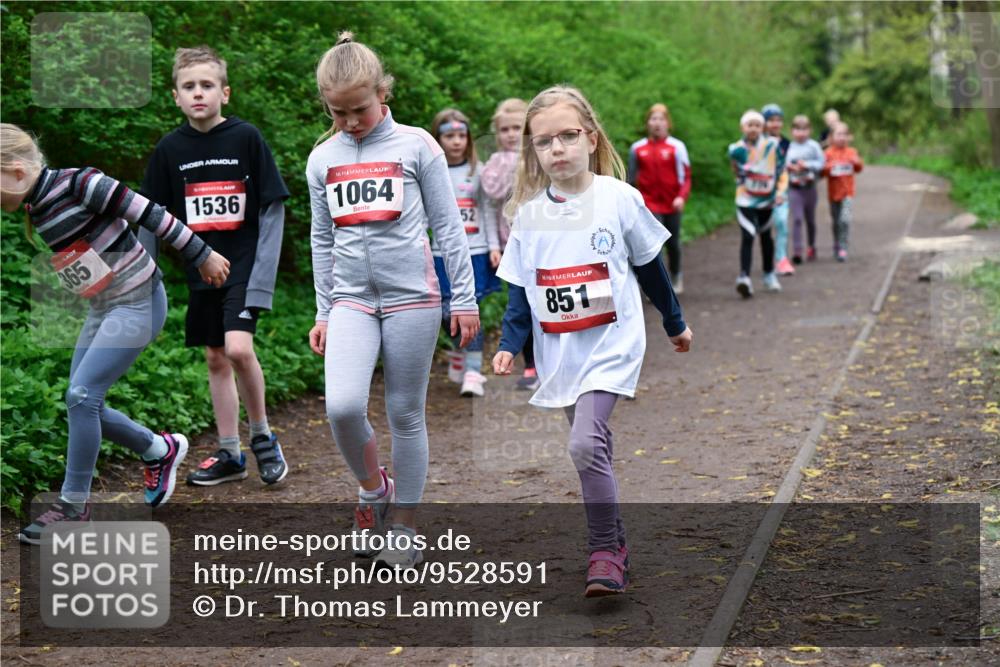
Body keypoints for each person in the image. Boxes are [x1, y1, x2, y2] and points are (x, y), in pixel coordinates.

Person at [492, 86, 692, 596]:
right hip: (561, 352)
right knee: (592, 448)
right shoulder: (529, 216)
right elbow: (522, 294)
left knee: (583, 443)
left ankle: (603, 550)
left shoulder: (618, 199)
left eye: (567, 136)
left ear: (591, 137)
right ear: (532, 152)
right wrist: (509, 344)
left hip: (613, 343)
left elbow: (652, 269)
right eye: (544, 142)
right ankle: (618, 542)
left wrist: (674, 322)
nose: (557, 148)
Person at [1, 123, 230, 544]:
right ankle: (159, 450)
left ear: (16, 171)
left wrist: (202, 254)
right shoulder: (38, 208)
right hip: (104, 308)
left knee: (82, 397)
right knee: (80, 400)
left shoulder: (81, 183)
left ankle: (73, 506)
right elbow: (89, 269)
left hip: (140, 302)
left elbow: (151, 214)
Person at [306, 33, 480, 569]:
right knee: (342, 406)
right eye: (338, 113)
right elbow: (321, 237)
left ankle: (403, 525)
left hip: (414, 299)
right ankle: (371, 488)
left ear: (383, 93)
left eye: (359, 109)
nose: (351, 121)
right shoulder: (322, 158)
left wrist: (465, 300)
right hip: (352, 301)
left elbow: (449, 227)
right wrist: (323, 309)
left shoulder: (417, 145)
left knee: (405, 413)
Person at [140, 46, 290, 486]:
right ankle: (229, 453)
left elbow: (272, 208)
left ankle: (262, 436)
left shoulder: (246, 138)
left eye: (207, 85)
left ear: (225, 92)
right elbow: (149, 214)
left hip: (243, 264)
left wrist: (262, 279)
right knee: (215, 357)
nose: (198, 93)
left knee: (240, 349)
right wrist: (145, 277)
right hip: (200, 269)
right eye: (189, 87)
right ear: (176, 96)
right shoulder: (170, 149)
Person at [429, 108, 500, 397]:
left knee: (471, 310)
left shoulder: (479, 171)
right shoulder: (431, 170)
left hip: (477, 250)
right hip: (440, 254)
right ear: (439, 138)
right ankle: (460, 352)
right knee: (445, 311)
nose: (456, 141)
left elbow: (488, 211)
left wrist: (494, 247)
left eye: (461, 135)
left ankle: (473, 370)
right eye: (449, 136)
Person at [481, 98, 540, 391]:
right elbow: (491, 206)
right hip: (510, 249)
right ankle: (531, 365)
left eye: (517, 128)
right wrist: (493, 246)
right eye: (505, 129)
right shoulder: (494, 164)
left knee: (544, 305)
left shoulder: (539, 158)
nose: (511, 134)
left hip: (542, 246)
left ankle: (551, 362)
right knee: (520, 307)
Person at [627, 103, 692, 292]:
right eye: (653, 119)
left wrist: (681, 197)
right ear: (647, 123)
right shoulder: (637, 149)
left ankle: (676, 274)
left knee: (673, 243)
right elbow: (631, 179)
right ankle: (658, 285)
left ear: (668, 123)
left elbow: (686, 176)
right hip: (649, 203)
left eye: (661, 119)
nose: (657, 123)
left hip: (672, 203)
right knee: (655, 245)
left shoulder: (677, 147)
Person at [728, 110, 785, 298]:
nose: (753, 129)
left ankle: (769, 274)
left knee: (766, 236)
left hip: (767, 200)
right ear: (742, 127)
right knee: (748, 234)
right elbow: (735, 170)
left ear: (763, 127)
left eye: (757, 125)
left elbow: (781, 170)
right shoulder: (736, 149)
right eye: (749, 125)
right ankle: (744, 277)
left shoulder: (773, 145)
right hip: (745, 199)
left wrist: (780, 192)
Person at [822, 121, 864, 262]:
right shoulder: (828, 153)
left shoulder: (851, 152)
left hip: (847, 194)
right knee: (836, 222)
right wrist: (829, 166)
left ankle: (843, 247)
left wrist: (856, 162)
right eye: (838, 134)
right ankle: (836, 243)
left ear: (849, 137)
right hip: (833, 195)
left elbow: (859, 168)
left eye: (844, 134)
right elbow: (822, 173)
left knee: (844, 220)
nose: (841, 138)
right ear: (832, 137)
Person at [786, 115, 825, 264]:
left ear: (809, 130)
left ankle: (811, 246)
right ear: (792, 131)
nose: (801, 133)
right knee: (796, 218)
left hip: (810, 188)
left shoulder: (814, 146)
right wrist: (790, 166)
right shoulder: (788, 147)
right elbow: (781, 164)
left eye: (804, 129)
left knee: (810, 220)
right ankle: (797, 251)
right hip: (794, 188)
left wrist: (807, 165)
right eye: (797, 129)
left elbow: (821, 163)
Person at [762, 104, 793, 276]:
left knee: (781, 223)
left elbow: (785, 169)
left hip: (781, 191)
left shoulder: (787, 143)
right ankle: (768, 265)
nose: (775, 124)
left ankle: (781, 259)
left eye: (778, 120)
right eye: (771, 120)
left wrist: (781, 191)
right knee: (764, 229)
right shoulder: (759, 143)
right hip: (761, 194)